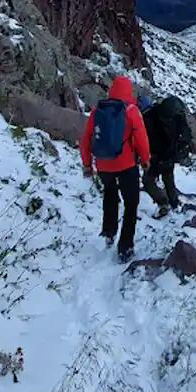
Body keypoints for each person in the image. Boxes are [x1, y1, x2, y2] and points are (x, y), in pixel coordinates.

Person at [80, 76, 150, 261]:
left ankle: (109, 232)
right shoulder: (131, 110)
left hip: (103, 164)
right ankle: (125, 247)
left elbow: (86, 140)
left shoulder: (97, 111)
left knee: (110, 196)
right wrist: (145, 159)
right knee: (131, 203)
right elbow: (142, 138)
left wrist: (87, 164)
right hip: (126, 164)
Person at [140, 95, 192, 218]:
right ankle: (173, 203)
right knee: (167, 180)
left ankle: (164, 202)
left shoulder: (150, 116)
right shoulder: (177, 118)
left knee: (149, 181)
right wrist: (177, 149)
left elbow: (142, 137)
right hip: (165, 156)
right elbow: (186, 137)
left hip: (158, 156)